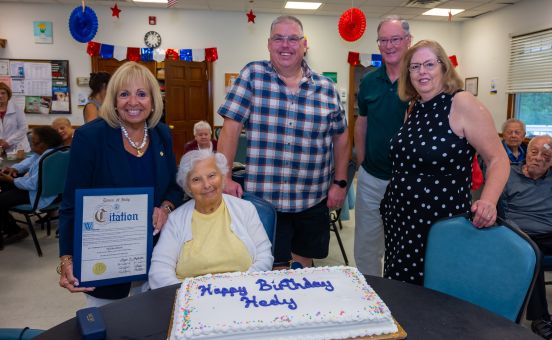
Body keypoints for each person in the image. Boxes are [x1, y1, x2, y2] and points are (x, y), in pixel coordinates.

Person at [217, 15, 349, 268]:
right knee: (268, 268)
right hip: (266, 201)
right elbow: (230, 128)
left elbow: (341, 137)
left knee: (303, 269)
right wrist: (225, 176)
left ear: (304, 44)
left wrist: (340, 182)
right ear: (269, 44)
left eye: (292, 39)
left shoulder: (326, 88)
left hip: (312, 199)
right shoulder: (252, 75)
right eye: (279, 38)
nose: (285, 45)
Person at [381, 40, 510, 285]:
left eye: (430, 64)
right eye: (415, 66)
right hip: (401, 220)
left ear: (444, 68)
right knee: (402, 294)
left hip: (440, 224)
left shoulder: (462, 103)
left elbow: (498, 158)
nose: (422, 72)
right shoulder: (414, 107)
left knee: (437, 298)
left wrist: (489, 201)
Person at [58, 62, 183, 307]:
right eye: (124, 94)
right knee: (109, 327)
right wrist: (66, 258)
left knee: (152, 323)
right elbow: (72, 202)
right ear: (113, 100)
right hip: (105, 259)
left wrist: (166, 208)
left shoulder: (161, 134)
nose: (133, 102)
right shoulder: (90, 137)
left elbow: (174, 186)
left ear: (153, 100)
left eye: (142, 94)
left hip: (155, 255)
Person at [149, 150, 273, 288]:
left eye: (212, 175)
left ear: (222, 176)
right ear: (188, 187)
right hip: (191, 301)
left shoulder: (245, 209)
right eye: (196, 179)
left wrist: (242, 287)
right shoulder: (175, 220)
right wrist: (191, 294)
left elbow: (264, 255)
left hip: (242, 293)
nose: (207, 185)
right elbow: (159, 271)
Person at [353, 16, 412, 277]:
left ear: (408, 41)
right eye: (383, 40)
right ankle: (372, 295)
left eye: (395, 39)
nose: (389, 46)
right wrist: (362, 161)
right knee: (366, 246)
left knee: (403, 244)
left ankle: (401, 299)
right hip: (371, 177)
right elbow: (361, 122)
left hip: (409, 180)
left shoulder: (418, 78)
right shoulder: (368, 81)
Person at [498, 135, 552, 339]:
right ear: (526, 152)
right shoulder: (508, 173)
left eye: (546, 155)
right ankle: (540, 319)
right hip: (520, 234)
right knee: (534, 255)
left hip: (549, 232)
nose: (538, 158)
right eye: (534, 152)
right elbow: (496, 207)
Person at [0, 126, 62, 248]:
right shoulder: (52, 153)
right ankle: (7, 224)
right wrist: (14, 169)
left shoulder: (46, 159)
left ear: (43, 144)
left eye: (33, 142)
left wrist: (13, 180)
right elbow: (28, 162)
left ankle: (14, 230)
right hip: (47, 192)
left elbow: (32, 183)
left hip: (37, 195)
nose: (31, 145)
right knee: (4, 187)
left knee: (2, 198)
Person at [0, 82, 31, 155]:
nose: (0, 96)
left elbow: (24, 128)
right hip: (2, 150)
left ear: (8, 95)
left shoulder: (17, 109)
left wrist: (8, 142)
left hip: (18, 149)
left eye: (3, 93)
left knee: (15, 166)